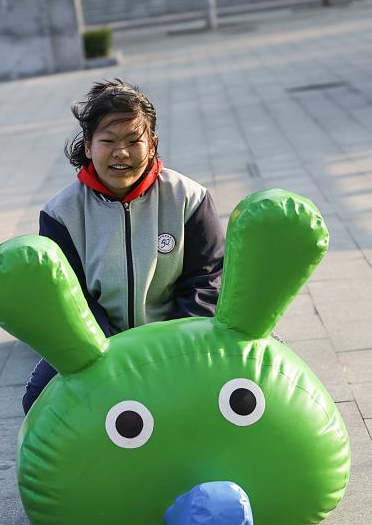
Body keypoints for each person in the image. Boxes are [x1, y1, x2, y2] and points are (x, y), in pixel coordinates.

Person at [22, 79, 224, 414]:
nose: (122, 153)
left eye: (133, 141)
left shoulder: (189, 198)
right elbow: (69, 299)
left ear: (153, 144)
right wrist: (105, 358)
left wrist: (172, 351)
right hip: (96, 346)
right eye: (108, 141)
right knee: (37, 401)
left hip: (179, 338)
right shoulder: (60, 213)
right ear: (88, 146)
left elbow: (205, 283)